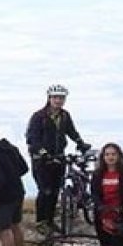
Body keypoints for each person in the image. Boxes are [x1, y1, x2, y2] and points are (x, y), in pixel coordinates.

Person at [25, 84, 91, 234]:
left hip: (59, 157)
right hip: (41, 160)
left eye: (61, 98)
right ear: (49, 98)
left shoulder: (65, 115)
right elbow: (32, 139)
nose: (58, 100)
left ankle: (49, 220)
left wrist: (80, 142)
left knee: (55, 191)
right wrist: (43, 153)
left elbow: (71, 132)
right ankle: (41, 222)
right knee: (45, 190)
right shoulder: (39, 116)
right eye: (56, 97)